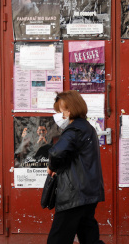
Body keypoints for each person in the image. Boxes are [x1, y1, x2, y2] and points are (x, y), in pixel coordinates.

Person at [41, 90, 105, 244]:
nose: (58, 115)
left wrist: (52, 167)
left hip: (73, 193)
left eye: (60, 111)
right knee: (89, 236)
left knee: (58, 239)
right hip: (88, 192)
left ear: (69, 111)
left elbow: (57, 153)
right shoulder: (87, 127)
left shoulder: (74, 129)